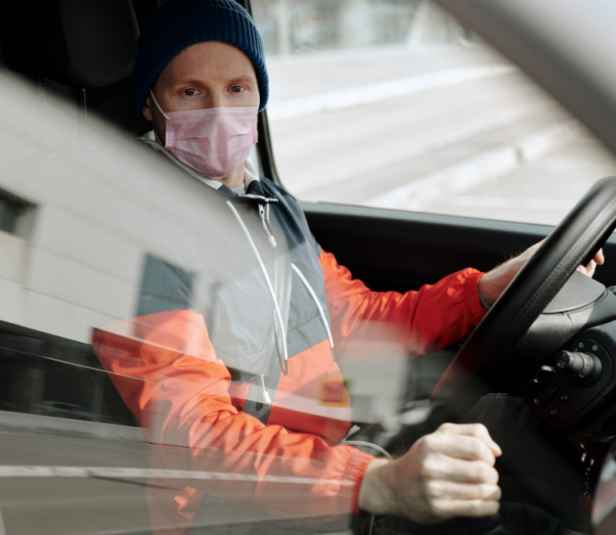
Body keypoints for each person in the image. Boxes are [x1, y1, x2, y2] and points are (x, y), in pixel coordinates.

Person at [92, 1, 605, 533]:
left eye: (238, 89)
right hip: (238, 508)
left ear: (259, 96)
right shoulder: (137, 232)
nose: (220, 110)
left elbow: (357, 320)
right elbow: (192, 436)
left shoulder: (268, 207)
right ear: (152, 105)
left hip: (331, 448)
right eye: (191, 91)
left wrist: (480, 293)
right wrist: (374, 483)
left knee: (513, 422)